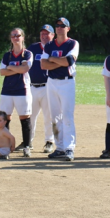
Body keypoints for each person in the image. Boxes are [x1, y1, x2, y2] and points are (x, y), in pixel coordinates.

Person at [40, 17, 79, 162]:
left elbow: (69, 61)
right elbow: (43, 65)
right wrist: (60, 62)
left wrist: (52, 59)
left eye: (62, 25)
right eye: (57, 25)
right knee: (55, 117)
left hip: (67, 82)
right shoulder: (49, 45)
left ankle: (69, 148)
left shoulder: (72, 43)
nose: (59, 28)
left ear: (68, 28)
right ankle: (60, 147)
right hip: (52, 82)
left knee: (67, 116)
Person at [0, 27, 34, 157]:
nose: (15, 38)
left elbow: (24, 69)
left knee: (24, 118)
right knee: (5, 118)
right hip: (7, 90)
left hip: (22, 90)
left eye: (18, 35)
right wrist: (17, 68)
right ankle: (5, 146)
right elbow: (2, 72)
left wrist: (10, 67)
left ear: (23, 37)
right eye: (13, 35)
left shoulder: (27, 54)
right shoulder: (7, 55)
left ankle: (27, 146)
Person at [27, 24, 56, 154]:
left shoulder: (54, 48)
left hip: (47, 86)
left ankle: (49, 141)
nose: (44, 36)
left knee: (48, 116)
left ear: (53, 35)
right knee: (29, 116)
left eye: (47, 33)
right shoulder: (32, 48)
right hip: (32, 86)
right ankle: (28, 141)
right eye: (42, 33)